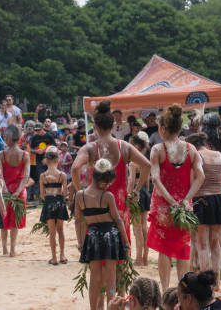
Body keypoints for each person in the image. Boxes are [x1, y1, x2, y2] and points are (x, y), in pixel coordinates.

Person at [72, 100, 151, 283]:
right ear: (114, 125)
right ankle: (117, 296)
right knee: (121, 258)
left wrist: (80, 192)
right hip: (119, 207)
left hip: (96, 207)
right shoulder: (124, 146)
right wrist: (136, 191)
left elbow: (75, 169)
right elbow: (146, 165)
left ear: (96, 126)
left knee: (97, 262)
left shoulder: (91, 148)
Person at [145, 104, 205, 290]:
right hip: (184, 206)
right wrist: (186, 199)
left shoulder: (158, 149)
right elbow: (200, 176)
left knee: (164, 249)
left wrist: (170, 201)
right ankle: (182, 291)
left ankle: (165, 291)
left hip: (164, 205)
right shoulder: (191, 149)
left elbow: (155, 178)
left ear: (162, 129)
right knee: (182, 248)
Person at [75, 158, 130, 310]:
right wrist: (126, 242)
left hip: (92, 236)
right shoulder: (107, 196)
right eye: (108, 182)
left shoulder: (80, 195)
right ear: (102, 181)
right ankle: (111, 305)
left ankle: (94, 308)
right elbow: (118, 220)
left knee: (94, 277)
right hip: (110, 236)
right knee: (111, 278)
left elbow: (78, 221)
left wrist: (80, 242)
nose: (109, 185)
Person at [186, 132, 221, 291]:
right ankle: (217, 282)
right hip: (219, 199)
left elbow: (193, 181)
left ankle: (206, 283)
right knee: (216, 243)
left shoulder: (195, 156)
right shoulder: (219, 155)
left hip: (203, 200)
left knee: (203, 243)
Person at [0, 125, 30, 257]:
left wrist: (5, 189)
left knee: (4, 221)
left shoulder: (2, 154)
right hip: (19, 190)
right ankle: (12, 249)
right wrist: (18, 191)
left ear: (10, 138)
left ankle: (5, 248)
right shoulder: (25, 155)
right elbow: (26, 177)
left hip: (5, 189)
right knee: (15, 222)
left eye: (5, 137)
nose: (4, 139)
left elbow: (0, 175)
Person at [39, 145, 69, 265]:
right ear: (58, 160)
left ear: (46, 160)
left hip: (49, 202)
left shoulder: (43, 176)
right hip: (60, 202)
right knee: (60, 230)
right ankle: (62, 255)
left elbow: (42, 195)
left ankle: (54, 258)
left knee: (52, 232)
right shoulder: (62, 175)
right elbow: (65, 193)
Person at [128, 134, 151, 266]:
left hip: (136, 193)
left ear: (136, 146)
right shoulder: (145, 161)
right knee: (144, 227)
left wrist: (129, 194)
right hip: (145, 192)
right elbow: (147, 182)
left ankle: (138, 259)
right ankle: (145, 258)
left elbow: (131, 181)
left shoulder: (133, 163)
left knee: (137, 229)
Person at [29, 122, 55, 201]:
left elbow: (54, 147)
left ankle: (51, 194)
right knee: (41, 176)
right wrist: (36, 151)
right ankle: (42, 196)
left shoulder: (49, 136)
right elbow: (31, 149)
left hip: (49, 159)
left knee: (51, 176)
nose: (37, 132)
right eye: (36, 130)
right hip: (39, 160)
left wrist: (47, 158)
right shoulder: (34, 137)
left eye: (39, 130)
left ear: (42, 128)